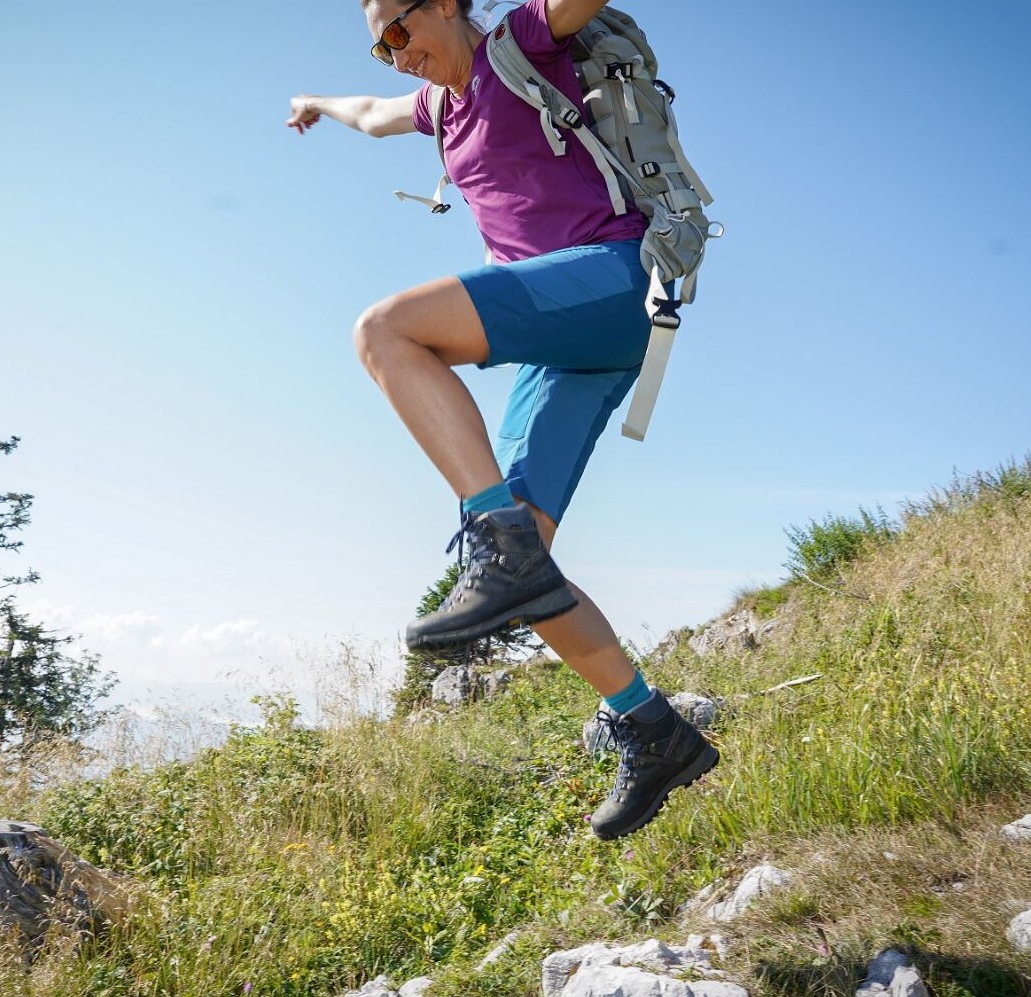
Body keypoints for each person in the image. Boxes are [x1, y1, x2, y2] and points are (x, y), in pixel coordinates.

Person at [285, 0, 716, 840]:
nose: (392, 53)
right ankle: (651, 728)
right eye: (378, 47)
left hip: (610, 278)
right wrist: (316, 102)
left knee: (385, 330)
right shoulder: (432, 108)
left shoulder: (519, 43)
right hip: (572, 347)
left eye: (399, 31)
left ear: (445, 5)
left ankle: (496, 541)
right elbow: (371, 115)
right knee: (528, 567)